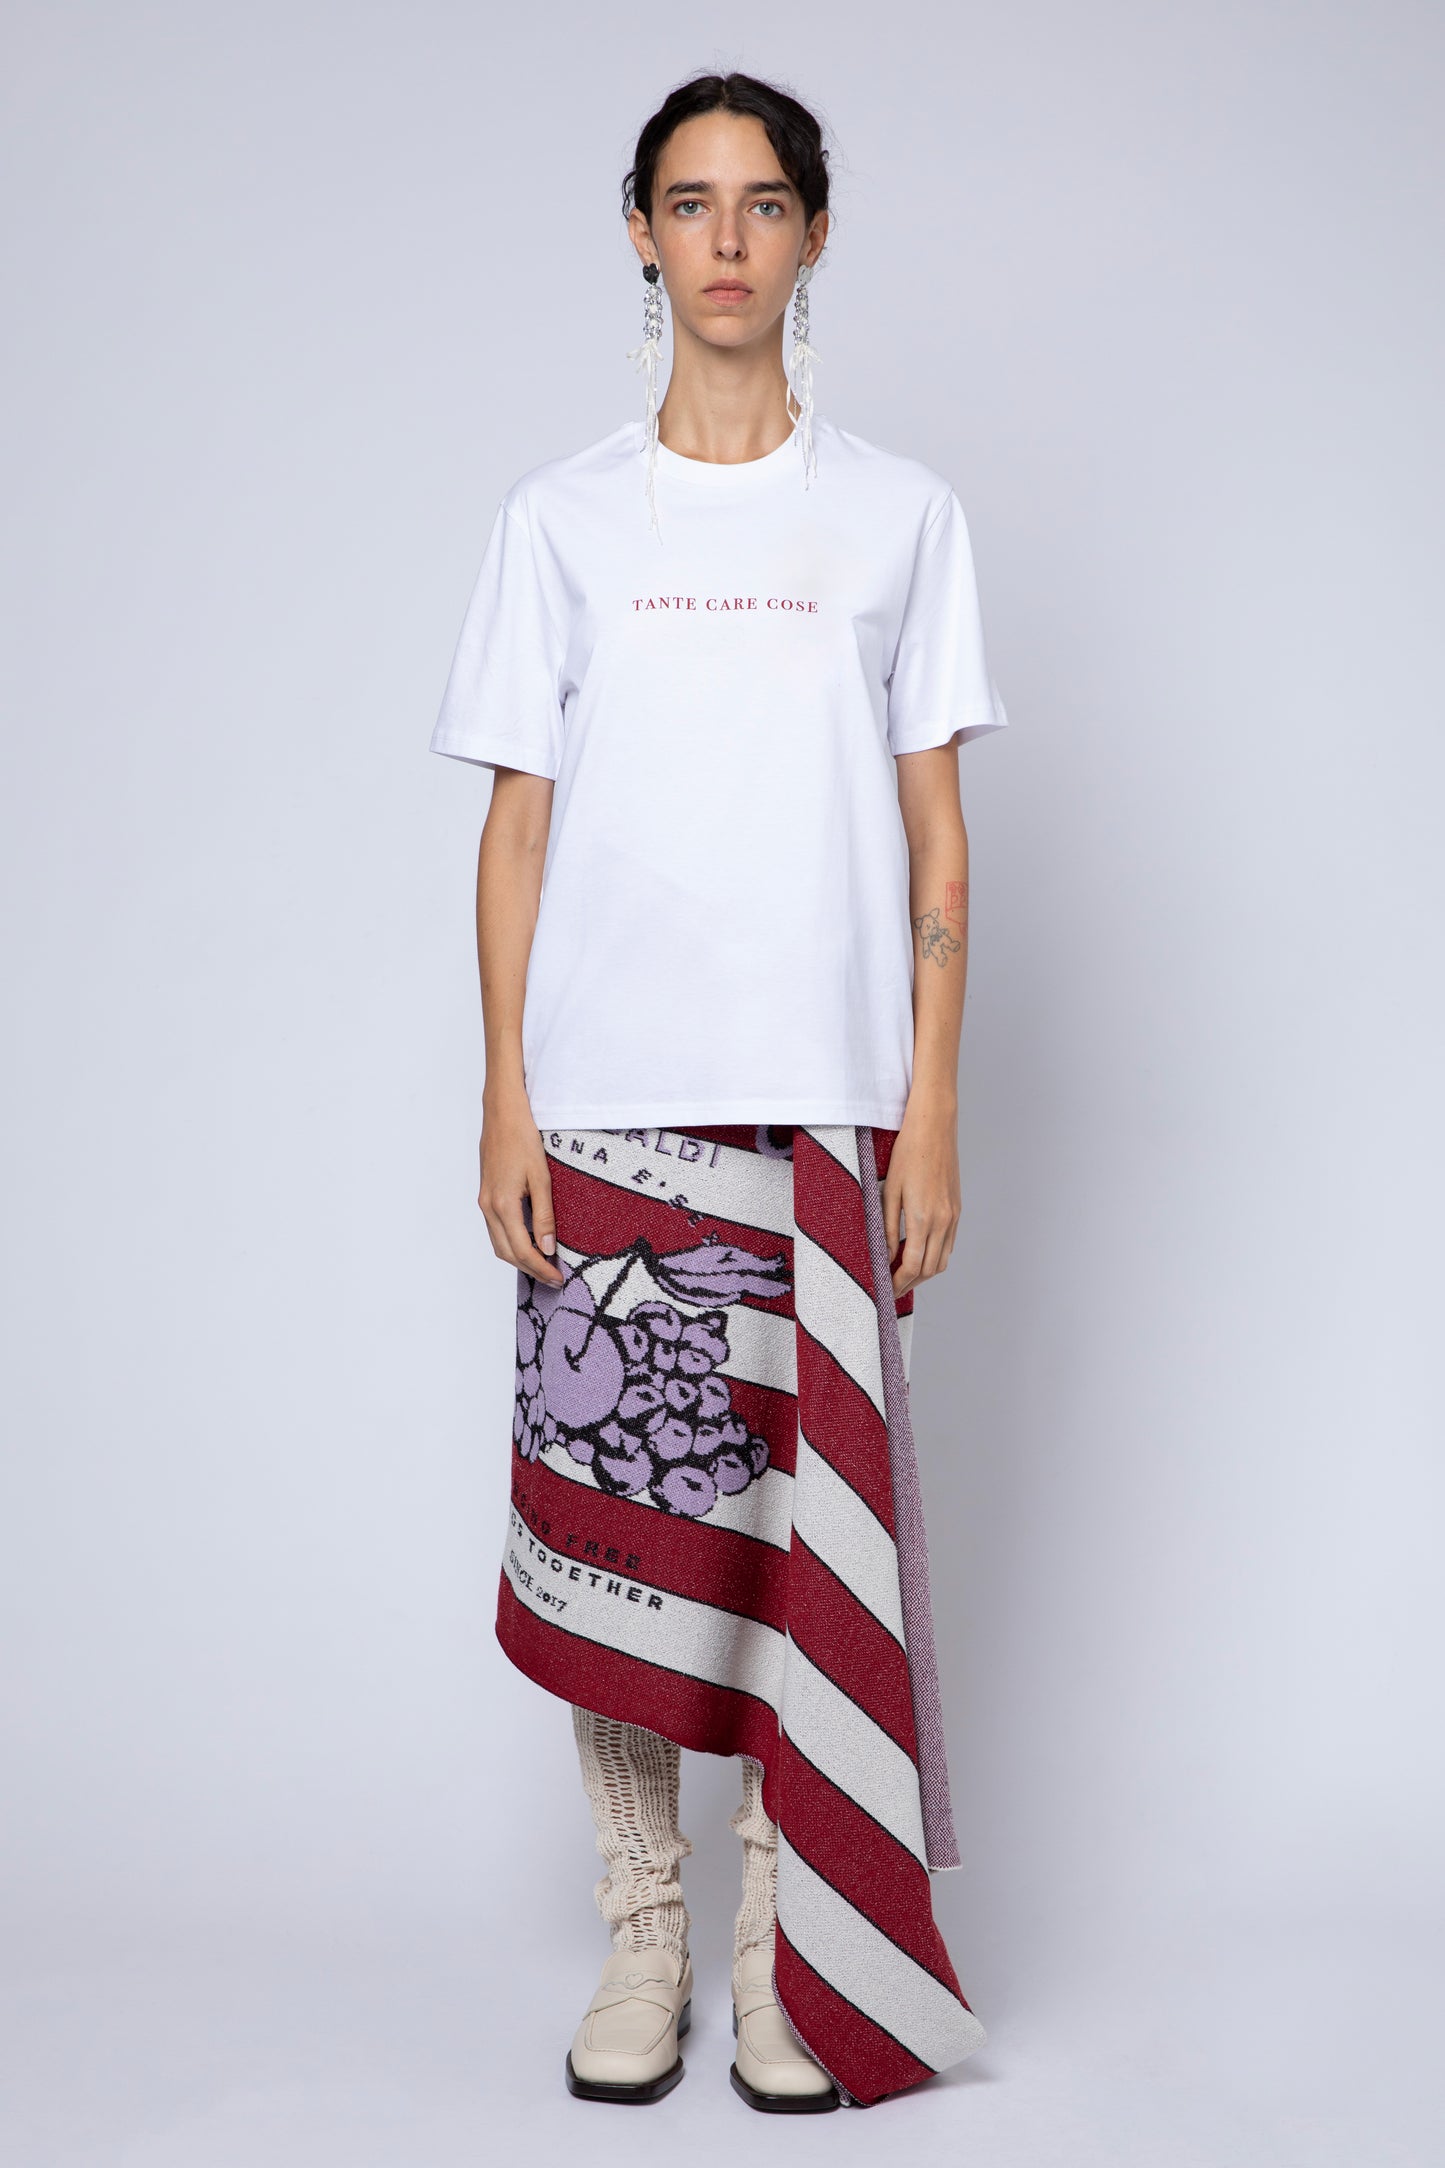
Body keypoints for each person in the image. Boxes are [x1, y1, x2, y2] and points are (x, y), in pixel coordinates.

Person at [429, 69, 1009, 2112]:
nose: (729, 240)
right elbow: (515, 831)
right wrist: (504, 1099)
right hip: (609, 1106)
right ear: (641, 234)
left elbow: (937, 842)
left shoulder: (901, 516)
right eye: (692, 203)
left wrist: (932, 1108)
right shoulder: (560, 519)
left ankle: (777, 1942)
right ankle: (645, 1926)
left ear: (815, 235)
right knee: (619, 1525)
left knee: (781, 1535)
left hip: (818, 1111)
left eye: (765, 203)